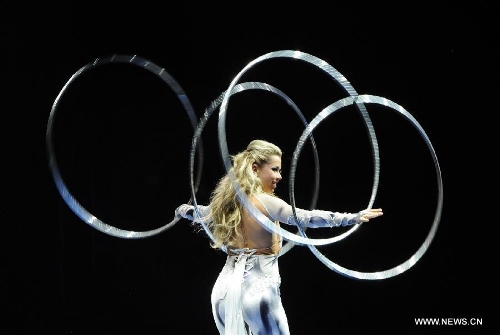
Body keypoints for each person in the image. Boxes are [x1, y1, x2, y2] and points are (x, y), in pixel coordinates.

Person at [175, 139, 383, 335]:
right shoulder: (267, 203)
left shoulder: (226, 203)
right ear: (255, 169)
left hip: (223, 292)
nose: (280, 176)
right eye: (274, 169)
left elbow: (199, 213)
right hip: (259, 291)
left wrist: (182, 210)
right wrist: (350, 218)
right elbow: (306, 218)